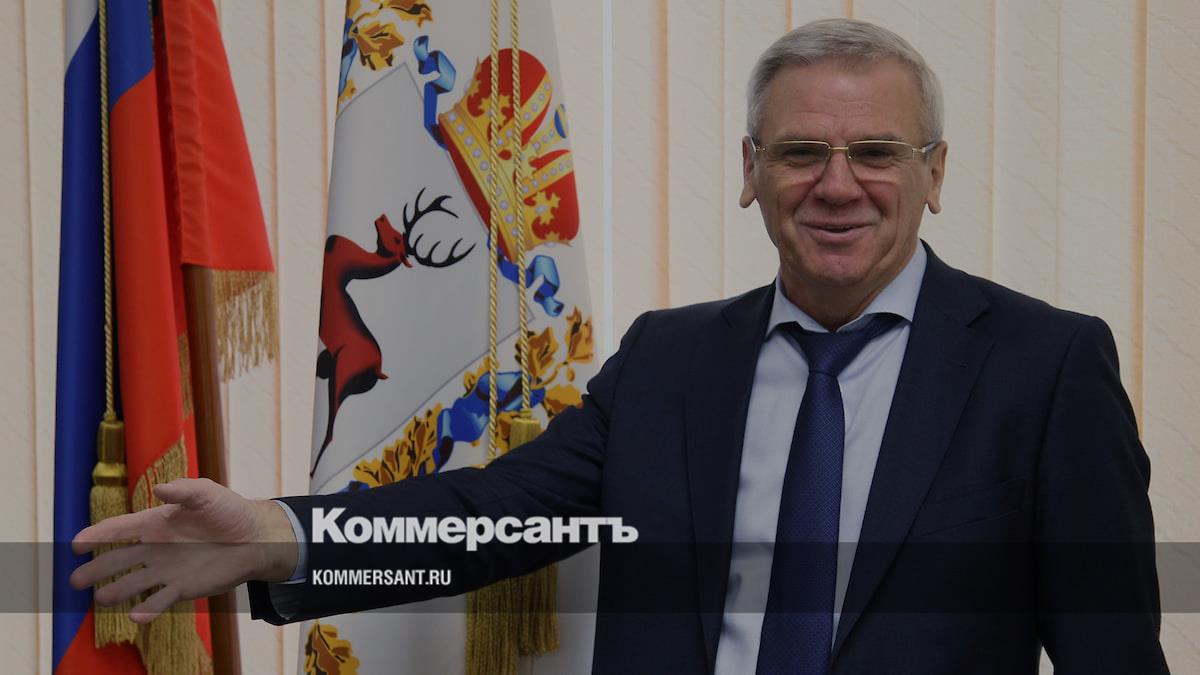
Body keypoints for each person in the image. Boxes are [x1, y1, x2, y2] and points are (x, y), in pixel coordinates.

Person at [71, 18, 1168, 674]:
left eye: (876, 152)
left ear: (935, 172)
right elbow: (491, 515)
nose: (838, 185)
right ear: (750, 171)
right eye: (800, 153)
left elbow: (1110, 654)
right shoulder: (671, 363)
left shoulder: (1047, 369)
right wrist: (277, 537)